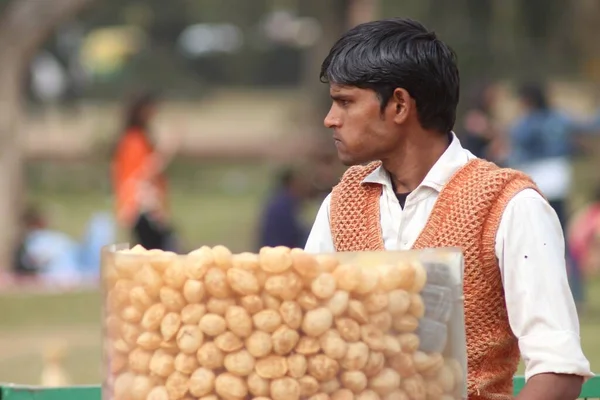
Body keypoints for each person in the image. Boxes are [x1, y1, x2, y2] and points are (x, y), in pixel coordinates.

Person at [304, 18, 591, 400]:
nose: (330, 119)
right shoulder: (341, 204)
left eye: (345, 102)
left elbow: (558, 369)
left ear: (400, 105)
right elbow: (306, 338)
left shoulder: (509, 206)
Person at [111, 92, 179, 251]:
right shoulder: (134, 140)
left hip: (139, 207)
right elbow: (146, 170)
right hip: (142, 207)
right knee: (156, 250)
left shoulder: (133, 138)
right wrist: (168, 147)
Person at [257, 167, 310, 249]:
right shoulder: (282, 206)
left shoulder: (282, 201)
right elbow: (293, 234)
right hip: (279, 251)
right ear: (292, 183)